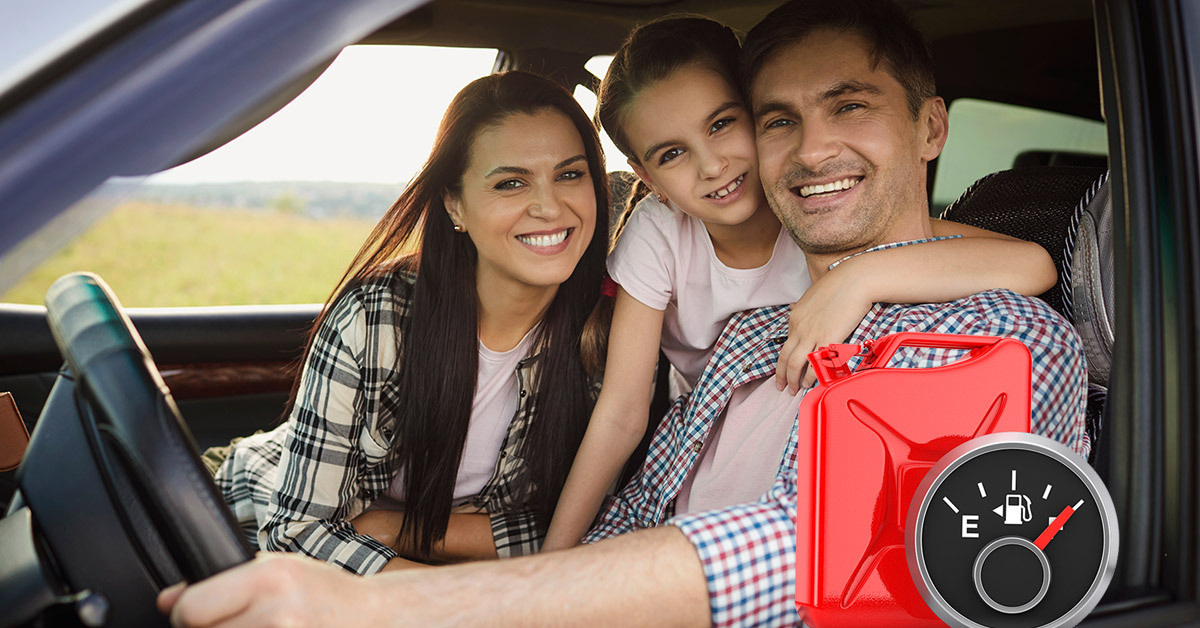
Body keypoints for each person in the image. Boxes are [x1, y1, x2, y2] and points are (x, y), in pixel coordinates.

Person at [160, 0, 1090, 625]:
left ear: (931, 128)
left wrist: (390, 607)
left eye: (850, 106)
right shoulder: (752, 338)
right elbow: (627, 505)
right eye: (775, 120)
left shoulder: (1001, 338)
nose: (811, 151)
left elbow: (830, 545)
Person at [542, 15, 1060, 551]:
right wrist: (552, 569)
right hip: (706, 408)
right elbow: (624, 420)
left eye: (723, 124)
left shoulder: (824, 217)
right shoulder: (680, 254)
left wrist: (859, 276)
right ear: (647, 177)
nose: (714, 164)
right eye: (781, 121)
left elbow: (1026, 262)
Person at [204, 70, 610, 574]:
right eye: (511, 183)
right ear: (454, 204)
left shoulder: (602, 334)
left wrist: (394, 528)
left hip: (399, 557)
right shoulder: (377, 320)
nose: (550, 207)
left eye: (570, 174)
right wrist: (460, 594)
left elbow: (587, 525)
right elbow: (295, 535)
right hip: (226, 519)